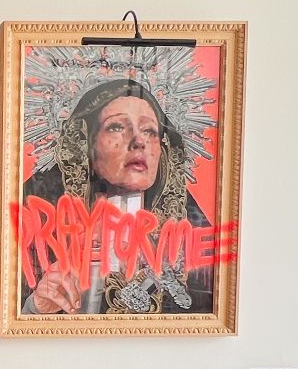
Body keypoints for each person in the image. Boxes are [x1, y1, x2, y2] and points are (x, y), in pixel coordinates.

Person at [19, 77, 211, 315]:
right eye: (117, 127)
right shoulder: (38, 211)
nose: (139, 142)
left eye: (149, 130)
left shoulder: (191, 223)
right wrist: (34, 308)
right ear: (86, 141)